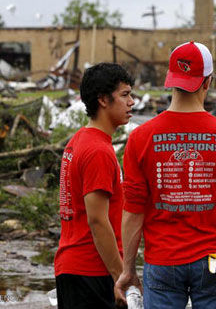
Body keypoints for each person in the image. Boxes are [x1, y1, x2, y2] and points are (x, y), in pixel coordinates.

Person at [115, 41, 216, 309]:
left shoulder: (141, 138)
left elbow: (133, 212)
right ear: (208, 82)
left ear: (171, 81)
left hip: (163, 260)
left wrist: (128, 269)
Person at [53, 63, 135, 309]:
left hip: (74, 267)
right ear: (102, 100)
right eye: (125, 95)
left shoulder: (79, 140)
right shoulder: (98, 151)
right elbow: (97, 220)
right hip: (91, 271)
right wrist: (120, 277)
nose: (132, 102)